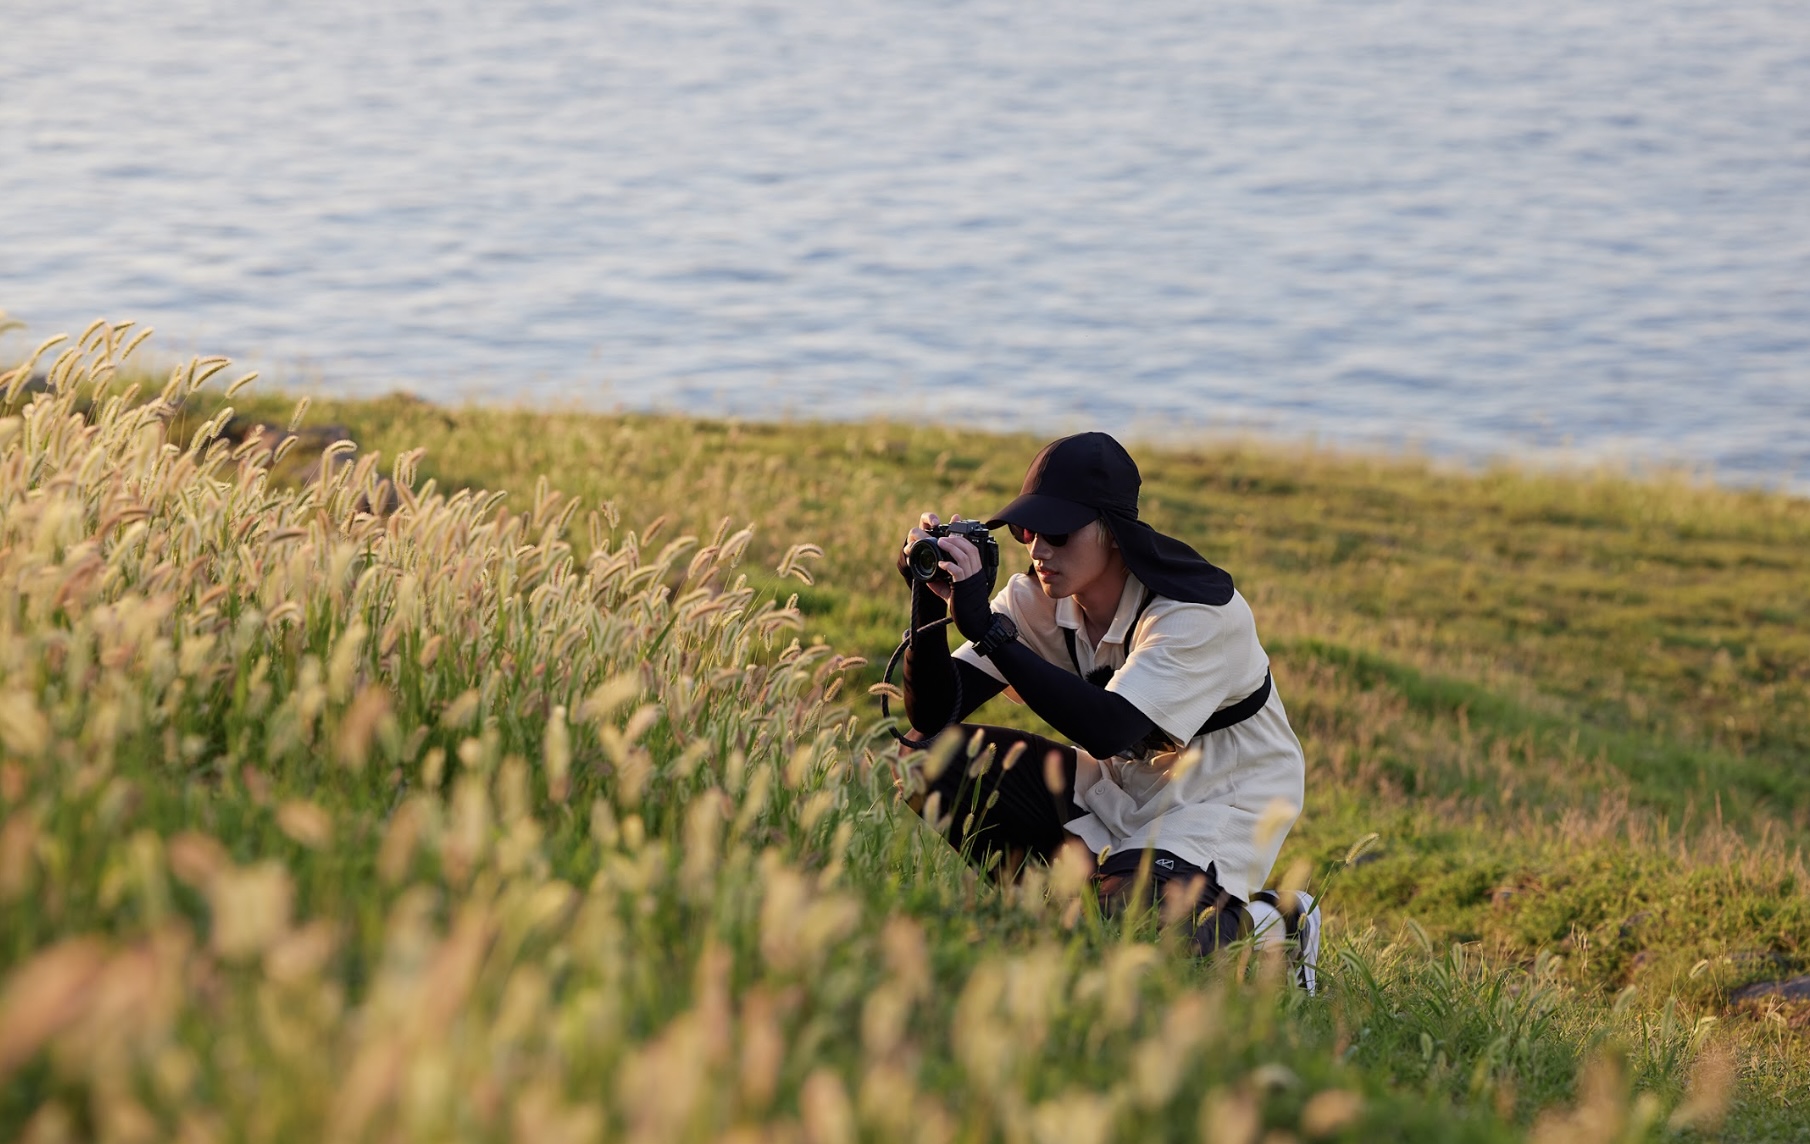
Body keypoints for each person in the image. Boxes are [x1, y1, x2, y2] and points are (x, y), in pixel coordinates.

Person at [896, 431, 1318, 988]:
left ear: (1113, 533)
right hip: (1121, 783)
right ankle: (1062, 912)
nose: (1038, 550)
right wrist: (927, 607)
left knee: (1135, 934)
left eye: (1058, 533)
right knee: (924, 760)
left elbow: (1110, 727)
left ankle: (1275, 924)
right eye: (1027, 531)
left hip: (1217, 798)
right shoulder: (1039, 599)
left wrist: (992, 634)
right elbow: (933, 713)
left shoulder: (1197, 613)